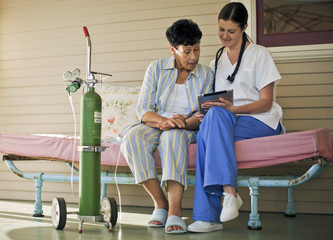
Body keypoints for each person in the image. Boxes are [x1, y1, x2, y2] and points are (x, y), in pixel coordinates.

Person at [187, 2, 283, 233]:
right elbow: (214, 100)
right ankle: (227, 195)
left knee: (206, 137)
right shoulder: (216, 61)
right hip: (225, 120)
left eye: (231, 31)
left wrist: (233, 110)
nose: (225, 36)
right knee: (209, 125)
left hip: (260, 121)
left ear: (244, 28)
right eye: (221, 29)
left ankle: (210, 214)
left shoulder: (260, 54)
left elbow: (266, 102)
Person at [120, 19, 214, 234]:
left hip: (185, 126)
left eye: (197, 49)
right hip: (157, 122)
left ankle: (174, 211)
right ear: (173, 49)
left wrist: (181, 123)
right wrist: (164, 121)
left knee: (172, 137)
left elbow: (203, 113)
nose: (193, 56)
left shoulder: (206, 74)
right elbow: (143, 109)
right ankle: (160, 204)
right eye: (187, 51)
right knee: (133, 138)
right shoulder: (156, 68)